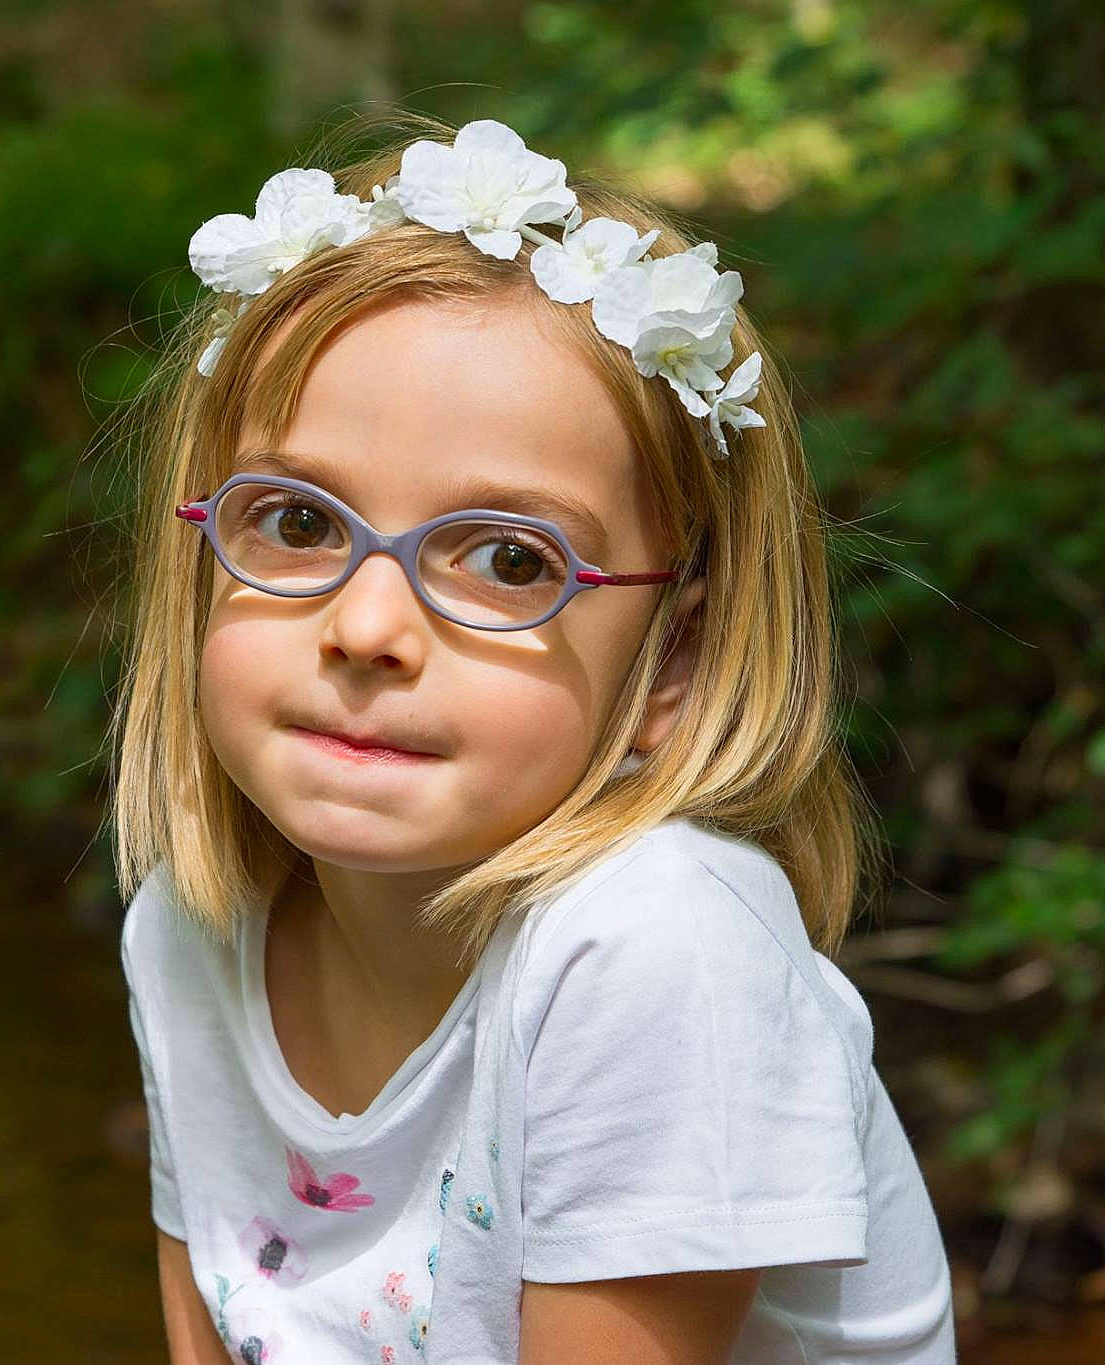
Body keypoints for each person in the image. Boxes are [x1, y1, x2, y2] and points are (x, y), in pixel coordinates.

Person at [106, 109, 956, 1364]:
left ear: (673, 653)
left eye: (510, 558)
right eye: (294, 523)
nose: (367, 625)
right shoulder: (188, 928)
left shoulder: (655, 951)